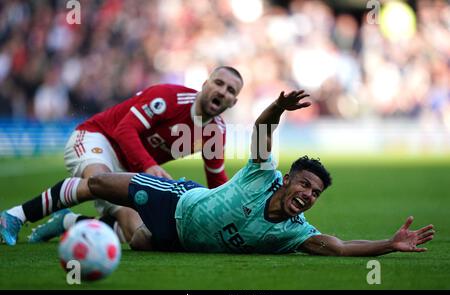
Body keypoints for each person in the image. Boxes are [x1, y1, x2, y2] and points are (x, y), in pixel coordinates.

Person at [82, 90, 434, 255]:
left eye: (316, 194)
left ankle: (88, 224)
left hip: (179, 239)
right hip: (180, 201)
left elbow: (339, 247)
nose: (309, 195)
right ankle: (26, 211)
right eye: (306, 184)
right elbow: (263, 131)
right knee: (97, 183)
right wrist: (278, 107)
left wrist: (389, 244)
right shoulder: (263, 175)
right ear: (286, 180)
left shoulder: (294, 233)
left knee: (137, 241)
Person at [0, 66, 244, 246]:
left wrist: (230, 214)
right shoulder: (168, 98)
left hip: (131, 171)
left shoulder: (215, 133)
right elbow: (124, 130)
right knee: (99, 181)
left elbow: (217, 182)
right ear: (205, 84)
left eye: (230, 90)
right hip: (99, 138)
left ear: (234, 102)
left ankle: (67, 223)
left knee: (141, 237)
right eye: (218, 83)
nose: (222, 92)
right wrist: (148, 166)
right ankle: (15, 216)